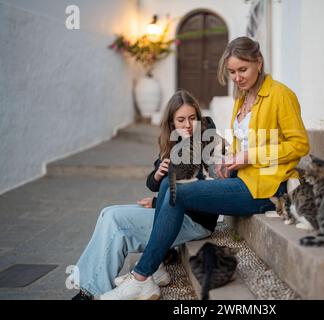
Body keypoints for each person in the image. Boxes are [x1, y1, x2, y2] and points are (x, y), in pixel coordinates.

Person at [100, 36, 310, 300]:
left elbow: (300, 145)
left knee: (177, 191)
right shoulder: (242, 97)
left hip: (267, 187)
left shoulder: (281, 95)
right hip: (241, 178)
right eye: (232, 72)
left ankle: (143, 275)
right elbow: (243, 144)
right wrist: (230, 160)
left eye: (242, 70)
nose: (237, 77)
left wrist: (249, 156)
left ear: (259, 62)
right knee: (168, 184)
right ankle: (156, 267)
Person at [71, 90, 220, 300]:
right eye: (181, 120)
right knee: (108, 213)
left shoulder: (206, 143)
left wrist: (160, 200)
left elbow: (203, 191)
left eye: (192, 118)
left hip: (195, 221)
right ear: (171, 123)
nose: (187, 124)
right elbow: (152, 182)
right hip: (173, 213)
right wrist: (158, 175)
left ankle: (91, 292)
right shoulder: (174, 144)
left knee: (116, 222)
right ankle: (95, 287)